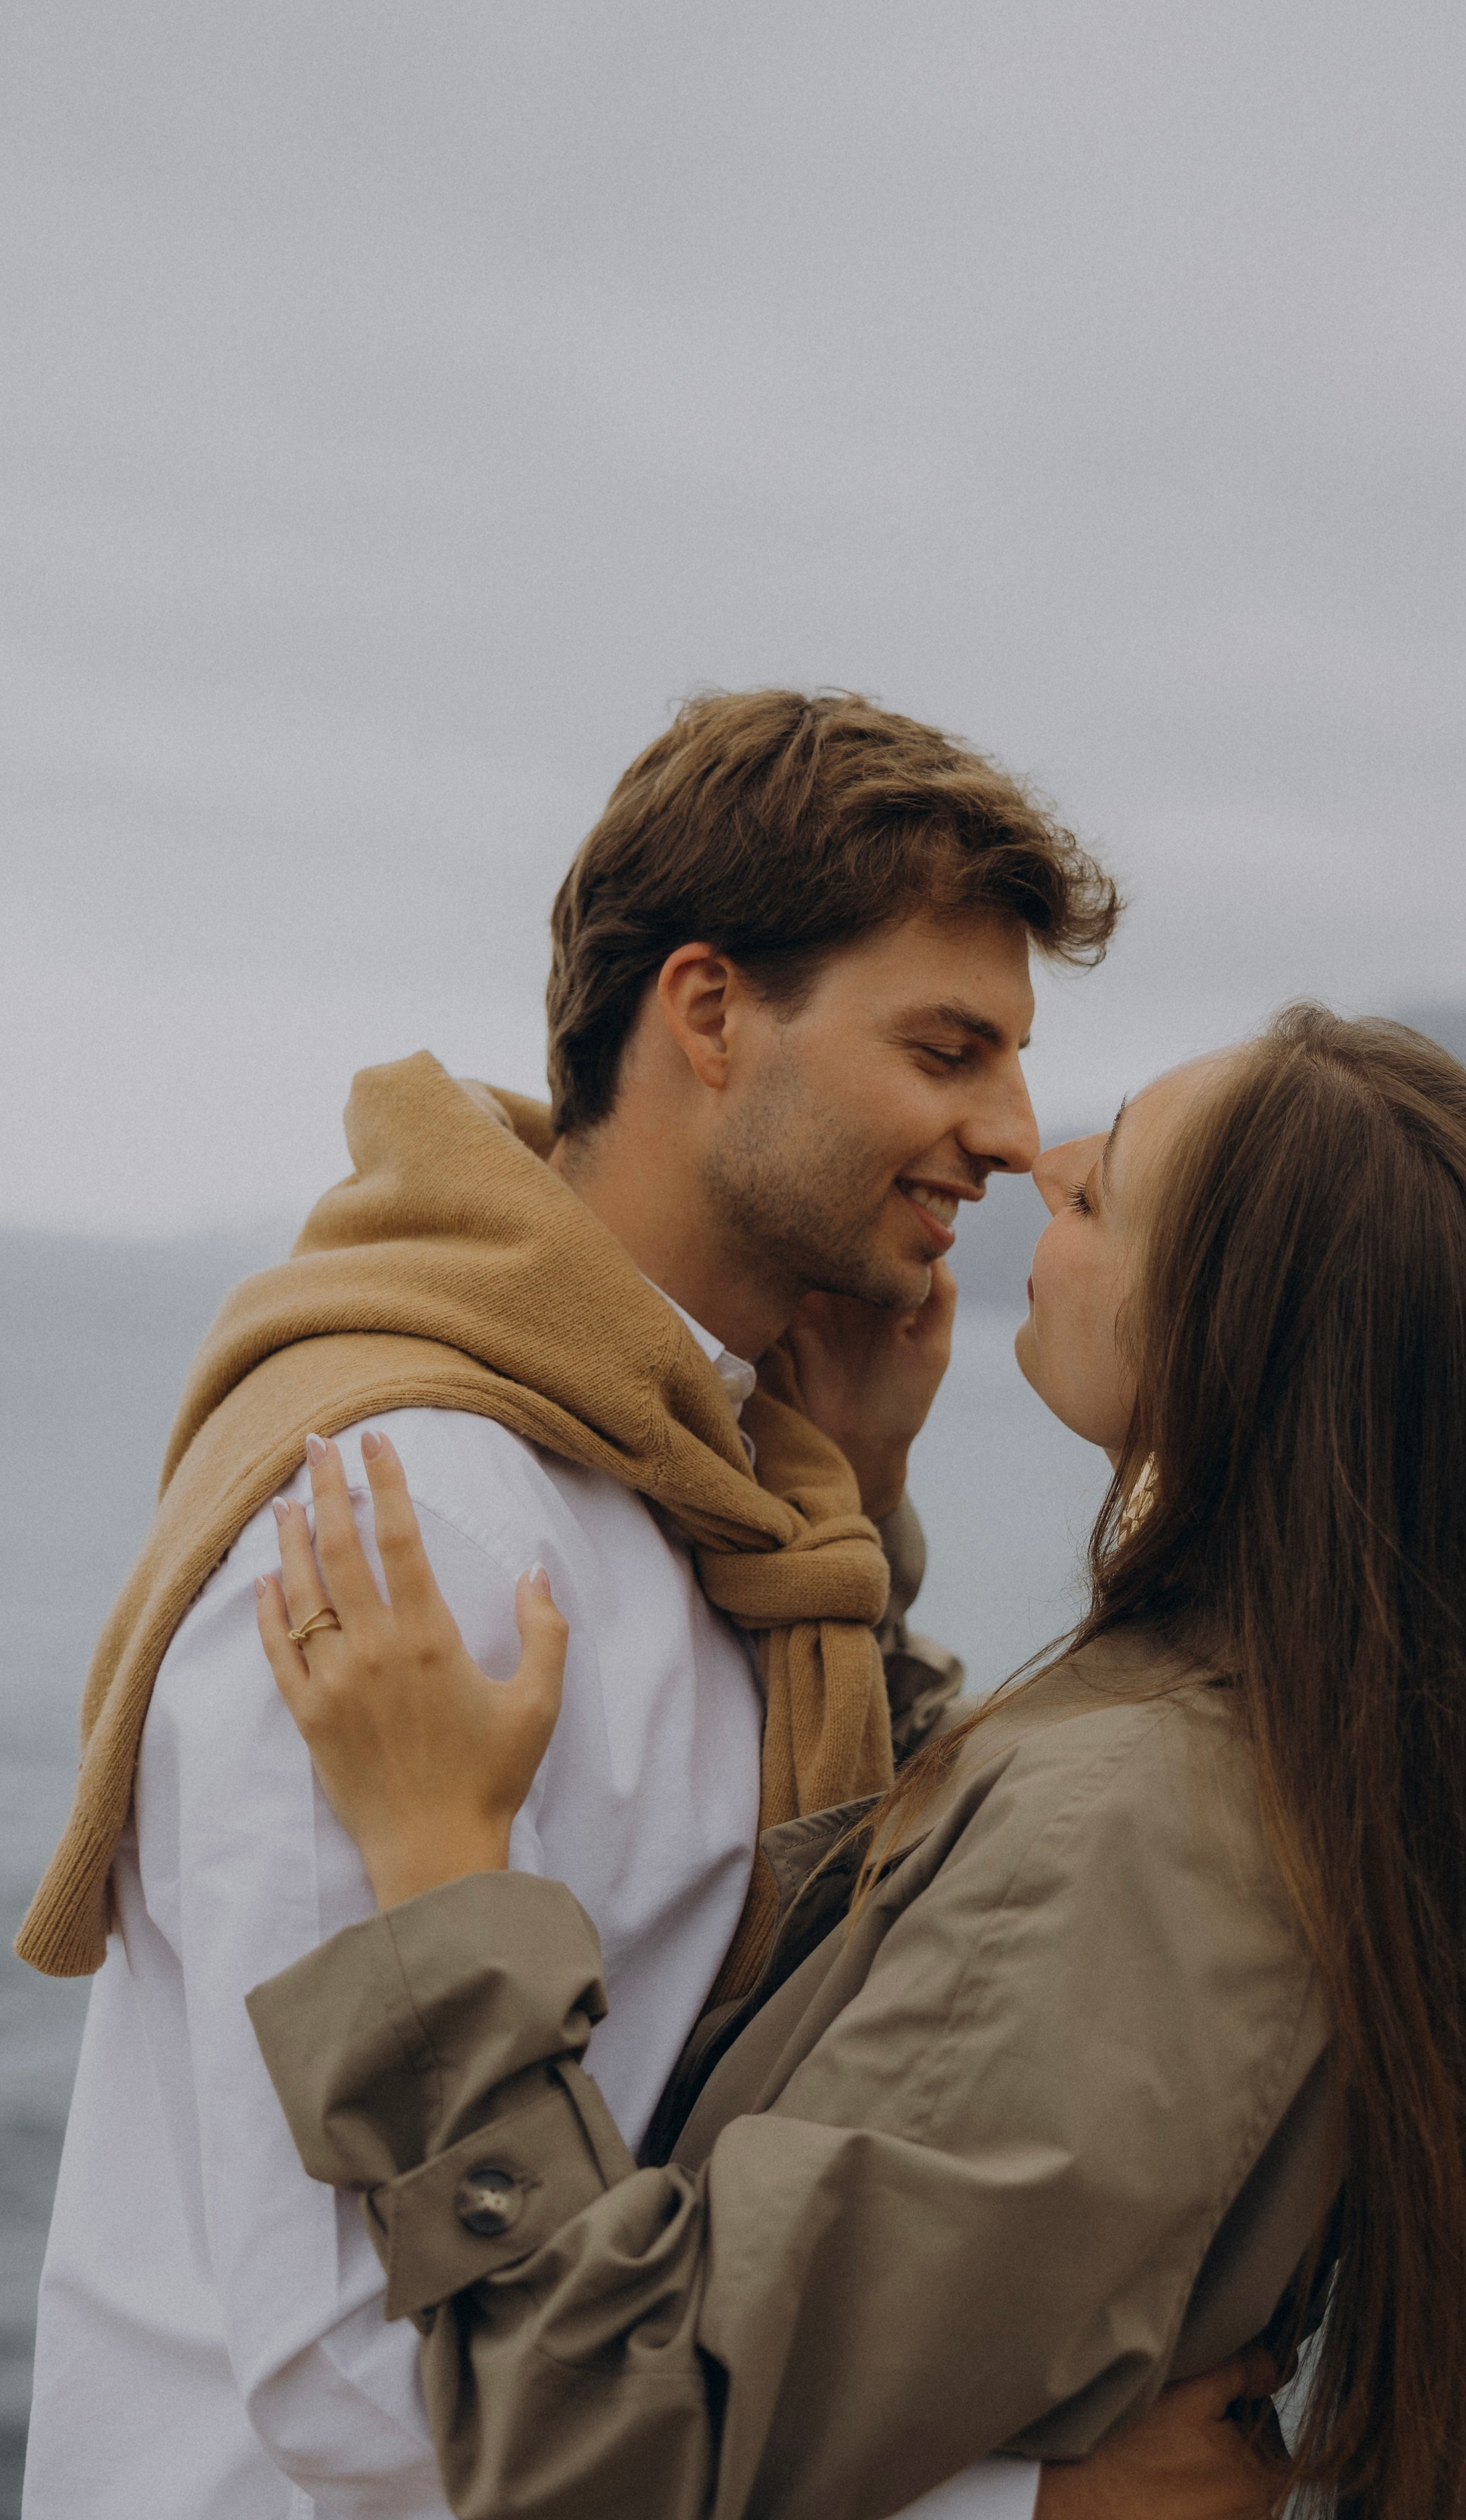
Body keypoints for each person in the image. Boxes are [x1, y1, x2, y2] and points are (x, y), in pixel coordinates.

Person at [19, 690, 1275, 2520]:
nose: (1013, 1134)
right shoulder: (415, 1524)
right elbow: (367, 2379)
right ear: (706, 1012)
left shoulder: (742, 1493)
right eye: (948, 1047)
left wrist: (861, 1508)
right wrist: (1023, 2510)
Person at [245, 1007, 1466, 2520]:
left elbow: (602, 2437)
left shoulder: (1145, 1841)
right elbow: (946, 1956)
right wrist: (861, 1514)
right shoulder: (1303, 1736)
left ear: (1231, 1347)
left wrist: (441, 1878)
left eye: (1100, 1194)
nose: (1043, 1156)